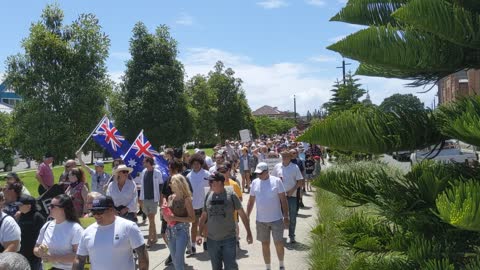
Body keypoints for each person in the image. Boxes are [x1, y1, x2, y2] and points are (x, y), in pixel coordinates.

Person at [72, 195, 149, 270]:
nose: (96, 215)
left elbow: (142, 254)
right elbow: (79, 259)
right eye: (93, 212)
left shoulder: (129, 227)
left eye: (99, 211)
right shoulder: (87, 232)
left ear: (111, 210)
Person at [196, 172, 253, 270]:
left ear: (219, 182)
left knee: (231, 266)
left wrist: (249, 232)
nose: (209, 184)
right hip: (212, 240)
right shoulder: (208, 195)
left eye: (211, 182)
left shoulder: (231, 195)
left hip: (228, 239)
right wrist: (198, 234)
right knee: (216, 267)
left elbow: (242, 215)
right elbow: (203, 216)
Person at [247, 162, 290, 270]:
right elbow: (251, 201)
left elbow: (283, 200)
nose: (259, 175)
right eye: (257, 173)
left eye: (261, 173)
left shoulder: (277, 181)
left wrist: (286, 216)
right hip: (261, 220)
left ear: (267, 172)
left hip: (276, 219)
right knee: (264, 244)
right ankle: (268, 267)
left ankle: (281, 265)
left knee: (278, 243)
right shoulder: (255, 183)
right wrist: (247, 215)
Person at [34, 194, 84, 270]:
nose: (49, 208)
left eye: (52, 206)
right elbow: (35, 249)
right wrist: (40, 251)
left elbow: (80, 256)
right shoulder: (47, 225)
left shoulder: (75, 228)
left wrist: (55, 258)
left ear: (63, 209)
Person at [163, 174, 195, 270]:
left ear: (178, 183)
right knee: (174, 259)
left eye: (171, 182)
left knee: (179, 259)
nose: (169, 184)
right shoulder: (170, 198)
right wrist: (165, 215)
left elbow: (192, 219)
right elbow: (168, 216)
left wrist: (175, 218)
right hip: (170, 230)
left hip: (182, 231)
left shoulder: (187, 199)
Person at [271, 151, 304, 244]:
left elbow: (300, 181)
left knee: (292, 216)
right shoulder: (277, 166)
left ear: (290, 157)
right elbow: (272, 179)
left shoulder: (295, 167)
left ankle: (292, 236)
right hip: (279, 197)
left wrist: (292, 190)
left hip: (291, 196)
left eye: (286, 156)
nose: (284, 158)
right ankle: (279, 235)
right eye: (283, 156)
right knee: (278, 216)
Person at [186, 153, 210, 255]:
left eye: (198, 163)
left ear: (201, 163)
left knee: (204, 225)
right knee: (194, 225)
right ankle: (193, 245)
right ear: (191, 164)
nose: (196, 165)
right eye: (194, 164)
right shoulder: (188, 176)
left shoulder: (207, 174)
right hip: (193, 205)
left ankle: (206, 242)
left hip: (205, 204)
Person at [139, 156, 163, 247]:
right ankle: (155, 237)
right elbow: (142, 185)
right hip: (145, 199)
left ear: (149, 162)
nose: (143, 163)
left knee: (151, 218)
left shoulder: (157, 172)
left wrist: (161, 199)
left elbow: (161, 186)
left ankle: (149, 239)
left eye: (144, 162)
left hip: (154, 199)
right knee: (151, 219)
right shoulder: (144, 172)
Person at [17, 194, 46, 270]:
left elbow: (42, 235)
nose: (18, 206)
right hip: (22, 251)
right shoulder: (21, 216)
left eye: (21, 205)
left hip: (33, 254)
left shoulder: (37, 216)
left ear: (29, 206)